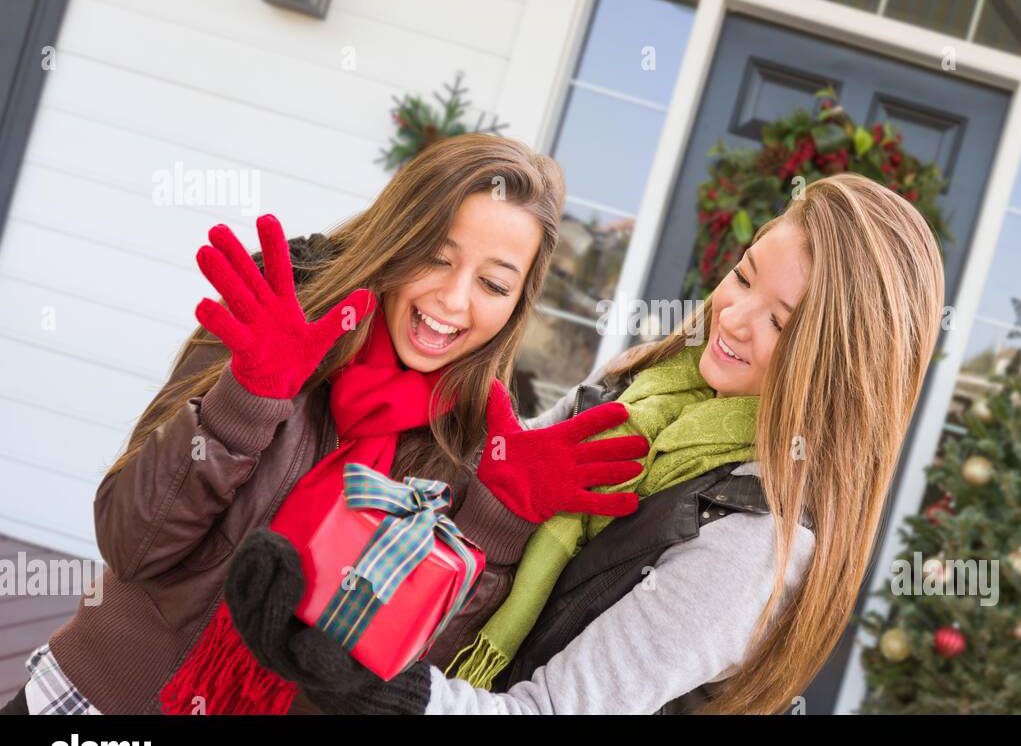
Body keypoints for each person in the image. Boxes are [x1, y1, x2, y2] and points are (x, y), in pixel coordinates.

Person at [224, 172, 947, 715]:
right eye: (743, 275)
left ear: (840, 367)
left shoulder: (753, 540)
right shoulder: (641, 391)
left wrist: (377, 684)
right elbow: (475, 508)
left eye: (782, 323)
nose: (732, 315)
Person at [0, 133, 647, 715]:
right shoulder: (276, 316)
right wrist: (246, 401)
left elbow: (388, 679)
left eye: (494, 284)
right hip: (94, 702)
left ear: (516, 306)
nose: (454, 301)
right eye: (439, 257)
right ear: (399, 240)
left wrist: (491, 531)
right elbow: (131, 543)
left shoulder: (478, 447)